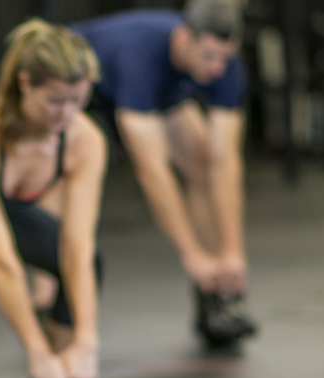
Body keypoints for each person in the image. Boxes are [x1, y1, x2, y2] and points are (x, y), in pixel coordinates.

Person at [0, 19, 109, 378]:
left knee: (89, 262)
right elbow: (1, 259)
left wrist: (87, 342)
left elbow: (76, 248)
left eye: (77, 100)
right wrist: (35, 352)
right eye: (55, 101)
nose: (67, 113)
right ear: (25, 83)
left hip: (6, 211)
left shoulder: (84, 139)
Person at [72, 0, 257, 346]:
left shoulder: (225, 65)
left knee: (201, 161)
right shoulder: (138, 58)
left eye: (225, 58)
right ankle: (49, 305)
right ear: (184, 39)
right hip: (81, 82)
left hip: (160, 88)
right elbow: (152, 171)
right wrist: (191, 254)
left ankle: (216, 291)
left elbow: (225, 160)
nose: (217, 68)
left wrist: (232, 251)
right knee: (62, 182)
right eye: (209, 56)